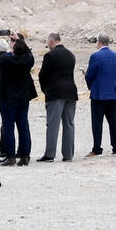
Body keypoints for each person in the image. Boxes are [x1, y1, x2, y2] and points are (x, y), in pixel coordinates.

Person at [0, 36, 36, 166]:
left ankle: (10, 156)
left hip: (8, 98)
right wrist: (20, 40)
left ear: (14, 51)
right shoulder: (28, 61)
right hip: (23, 98)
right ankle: (25, 156)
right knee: (23, 127)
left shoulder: (7, 60)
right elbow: (29, 53)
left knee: (8, 127)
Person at [37, 33, 77, 162]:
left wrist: (45, 90)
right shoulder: (71, 54)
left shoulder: (50, 55)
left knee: (53, 124)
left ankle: (50, 154)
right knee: (69, 123)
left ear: (51, 41)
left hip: (55, 92)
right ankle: (68, 154)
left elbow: (43, 75)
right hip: (71, 91)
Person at [84, 33, 116, 157]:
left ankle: (97, 148)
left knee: (97, 122)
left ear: (99, 42)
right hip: (113, 92)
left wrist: (91, 87)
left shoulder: (96, 56)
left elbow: (89, 75)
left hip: (99, 93)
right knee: (113, 121)